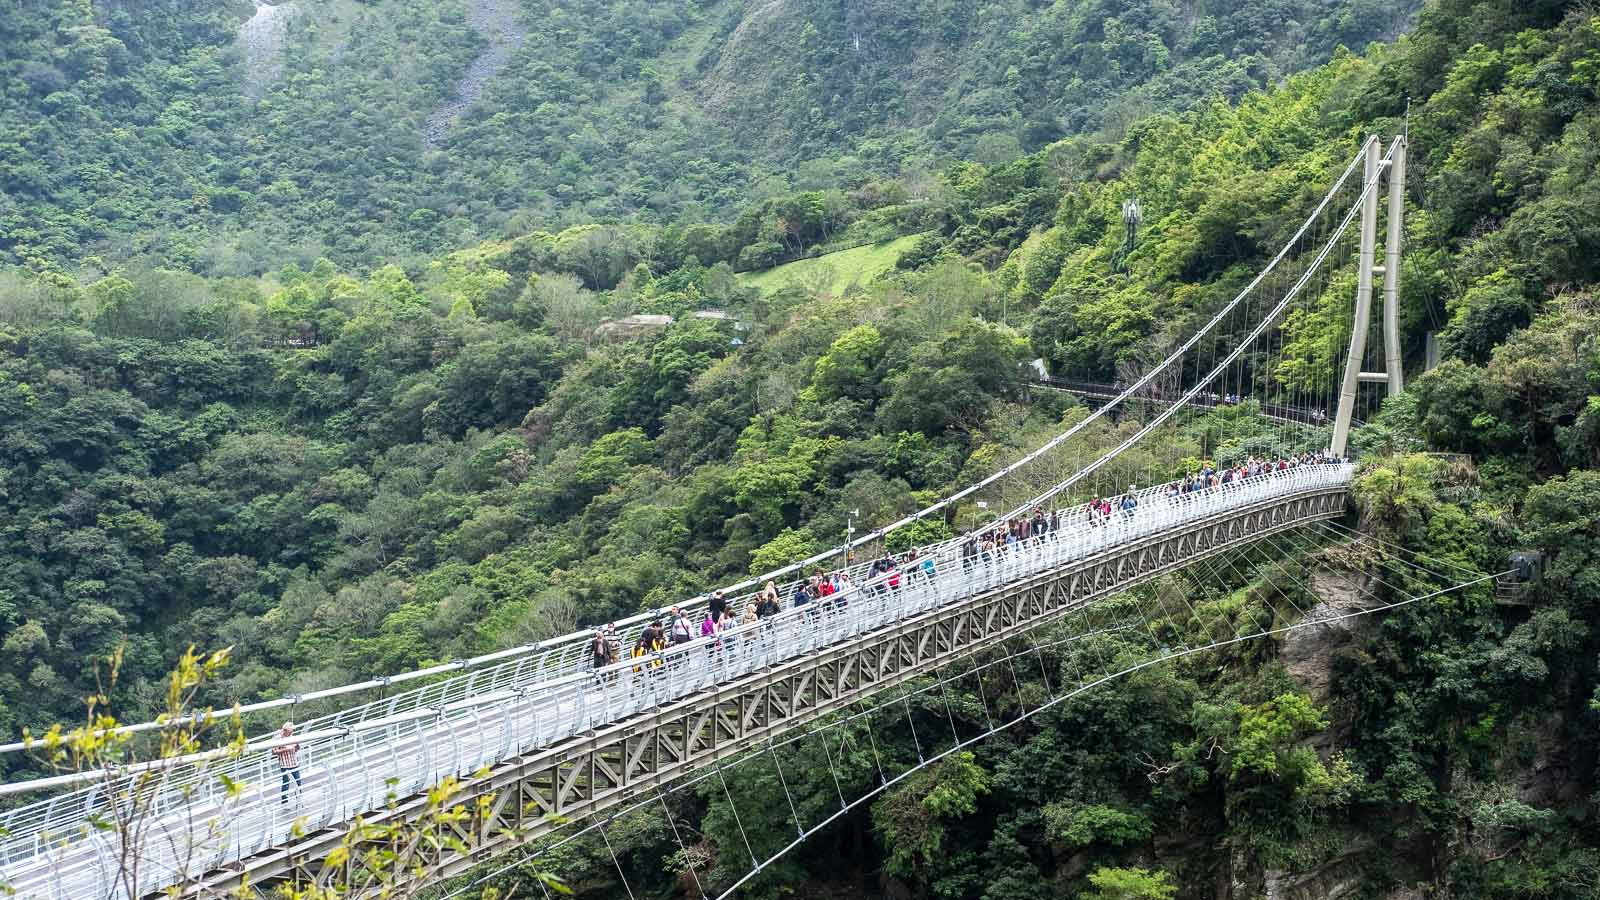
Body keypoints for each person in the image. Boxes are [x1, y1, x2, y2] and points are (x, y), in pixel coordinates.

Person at [272, 722, 302, 805]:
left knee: (298, 782)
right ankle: (284, 802)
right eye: (290, 731)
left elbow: (296, 749)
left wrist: (296, 747)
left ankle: (299, 801)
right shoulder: (278, 739)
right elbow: (274, 752)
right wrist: (284, 750)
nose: (291, 733)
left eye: (292, 731)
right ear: (285, 730)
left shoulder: (292, 737)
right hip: (285, 765)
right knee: (286, 783)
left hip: (294, 763)